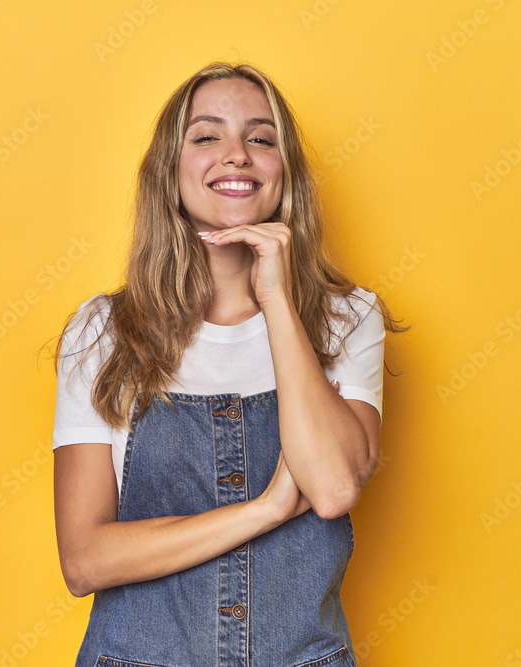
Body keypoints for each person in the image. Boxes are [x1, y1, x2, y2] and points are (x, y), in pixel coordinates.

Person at [50, 61, 401, 667]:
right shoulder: (105, 331)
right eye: (207, 136)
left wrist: (277, 300)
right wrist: (266, 509)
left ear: (284, 173)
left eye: (261, 139)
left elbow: (334, 486)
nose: (236, 155)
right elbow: (85, 561)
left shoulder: (348, 319)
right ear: (170, 171)